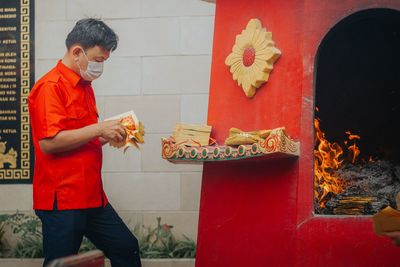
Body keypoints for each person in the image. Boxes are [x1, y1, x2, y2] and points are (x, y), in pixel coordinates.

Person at [28, 18, 141, 267]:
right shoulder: (49, 87)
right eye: (98, 60)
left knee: (126, 248)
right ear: (77, 52)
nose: (100, 67)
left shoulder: (85, 86)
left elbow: (81, 137)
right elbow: (50, 142)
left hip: (92, 196)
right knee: (60, 264)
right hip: (63, 200)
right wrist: (99, 128)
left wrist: (109, 134)